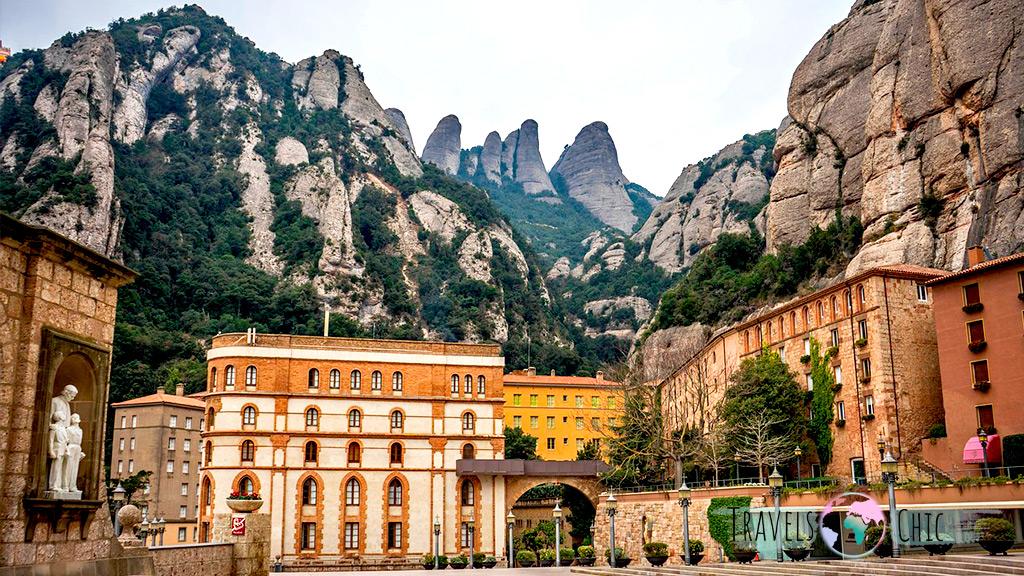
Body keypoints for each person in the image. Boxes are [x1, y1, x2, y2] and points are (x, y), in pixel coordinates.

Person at [63, 413, 85, 493]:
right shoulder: (68, 429)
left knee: (75, 468)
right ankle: (65, 485)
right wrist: (66, 449)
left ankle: (72, 486)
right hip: (71, 446)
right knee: (68, 468)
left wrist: (81, 452)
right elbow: (65, 440)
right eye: (73, 418)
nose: (75, 419)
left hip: (77, 447)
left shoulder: (80, 430)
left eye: (76, 418)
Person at [48, 412, 69, 491]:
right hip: (57, 448)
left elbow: (65, 440)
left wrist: (66, 448)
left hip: (63, 448)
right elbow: (50, 440)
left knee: (60, 467)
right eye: (63, 414)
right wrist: (51, 451)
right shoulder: (54, 427)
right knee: (55, 467)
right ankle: (53, 485)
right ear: (60, 417)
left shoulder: (63, 428)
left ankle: (58, 484)